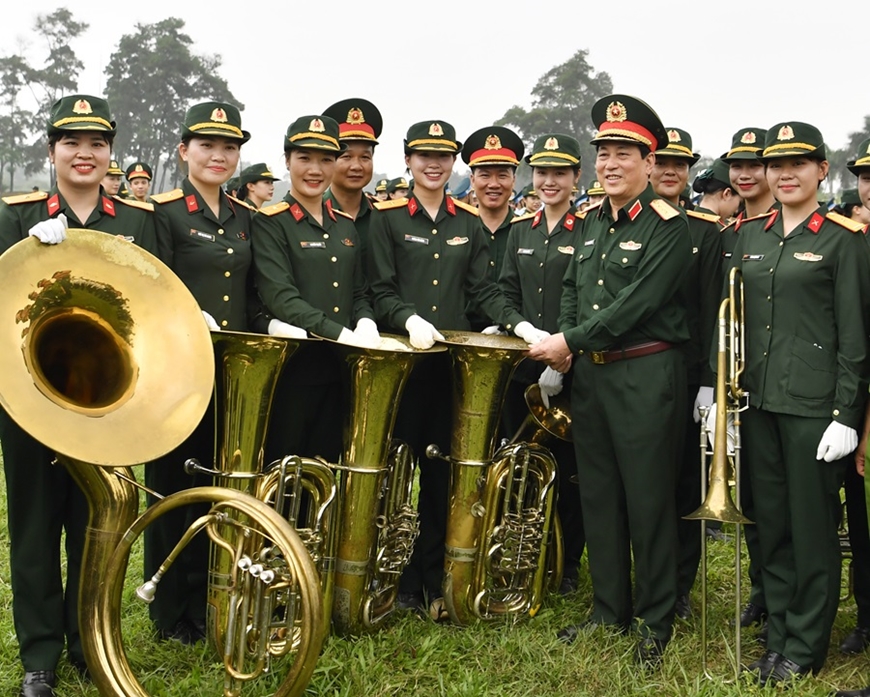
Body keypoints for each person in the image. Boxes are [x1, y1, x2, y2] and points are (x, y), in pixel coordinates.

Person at [0, 93, 158, 697]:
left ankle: (88, 640)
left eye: (97, 144)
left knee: (98, 525)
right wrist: (19, 253)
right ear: (52, 152)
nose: (84, 154)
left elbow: (156, 310)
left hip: (108, 398)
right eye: (72, 143)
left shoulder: (140, 222)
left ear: (110, 152)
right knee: (36, 528)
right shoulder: (16, 217)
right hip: (30, 396)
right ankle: (39, 655)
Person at [528, 94, 691, 667]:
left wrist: (569, 341)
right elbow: (574, 285)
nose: (612, 163)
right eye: (604, 152)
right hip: (593, 377)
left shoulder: (669, 226)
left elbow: (638, 302)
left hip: (645, 373)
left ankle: (654, 619)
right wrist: (570, 345)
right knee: (599, 494)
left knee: (648, 499)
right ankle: (608, 609)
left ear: (650, 164)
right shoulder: (593, 220)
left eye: (625, 152)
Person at [367, 119, 542, 615]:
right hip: (401, 363)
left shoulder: (467, 222)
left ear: (452, 164)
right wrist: (406, 318)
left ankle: (427, 583)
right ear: (407, 160)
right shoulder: (387, 218)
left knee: (441, 475)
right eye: (424, 156)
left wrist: (518, 323)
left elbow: (483, 289)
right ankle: (388, 580)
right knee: (394, 474)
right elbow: (378, 288)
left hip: (452, 369)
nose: (433, 164)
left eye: (442, 157)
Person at [725, 122, 870, 686]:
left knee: (811, 531)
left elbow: (855, 336)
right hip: (758, 401)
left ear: (820, 171)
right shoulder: (752, 235)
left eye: (798, 164)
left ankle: (805, 646)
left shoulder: (842, 239)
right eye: (775, 164)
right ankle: (780, 632)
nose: (784, 174)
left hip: (814, 409)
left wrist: (846, 414)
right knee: (773, 525)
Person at [147, 101, 254, 645]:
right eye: (207, 145)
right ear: (184, 150)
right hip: (177, 371)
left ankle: (208, 594)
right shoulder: (162, 213)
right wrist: (191, 317)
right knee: (171, 487)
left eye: (229, 147)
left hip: (232, 373)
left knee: (217, 481)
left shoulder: (243, 216)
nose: (219, 156)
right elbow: (151, 292)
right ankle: (169, 608)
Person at [252, 114, 378, 469]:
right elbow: (281, 297)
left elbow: (359, 291)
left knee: (325, 471)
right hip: (292, 372)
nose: (315, 169)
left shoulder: (346, 225)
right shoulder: (270, 222)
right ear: (287, 161)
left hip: (341, 373)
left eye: (325, 159)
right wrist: (340, 333)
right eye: (304, 158)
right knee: (283, 474)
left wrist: (365, 320)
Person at [497, 131, 586, 594]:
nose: (549, 181)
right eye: (542, 173)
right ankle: (522, 555)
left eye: (560, 173)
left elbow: (588, 297)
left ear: (576, 178)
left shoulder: (588, 229)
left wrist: (566, 349)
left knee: (569, 472)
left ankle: (567, 563)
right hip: (526, 365)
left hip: (571, 369)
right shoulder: (519, 231)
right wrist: (521, 327)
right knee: (521, 465)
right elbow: (504, 292)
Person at [649, 127, 721, 621]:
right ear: (649, 166)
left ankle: (679, 587)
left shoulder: (705, 229)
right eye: (664, 162)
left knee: (686, 486)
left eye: (681, 164)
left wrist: (710, 380)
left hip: (692, 371)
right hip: (647, 372)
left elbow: (716, 307)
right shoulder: (631, 223)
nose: (672, 171)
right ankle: (649, 581)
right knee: (647, 483)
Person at [718, 126, 772, 638]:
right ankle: (762, 591)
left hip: (781, 378)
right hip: (738, 380)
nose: (746, 174)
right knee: (751, 494)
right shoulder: (728, 234)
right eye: (738, 167)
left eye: (755, 164)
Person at [462, 125, 523, 329]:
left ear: (513, 180)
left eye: (503, 175)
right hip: (460, 336)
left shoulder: (527, 231)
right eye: (485, 175)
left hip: (519, 336)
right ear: (472, 180)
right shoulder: (458, 229)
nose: (494, 184)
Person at [322, 98, 383, 257]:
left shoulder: (384, 215)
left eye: (365, 157)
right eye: (346, 157)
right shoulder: (313, 213)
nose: (356, 166)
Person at [692, 158, 741, 223]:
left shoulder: (684, 222)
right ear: (727, 194)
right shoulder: (722, 231)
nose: (736, 211)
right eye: (740, 202)